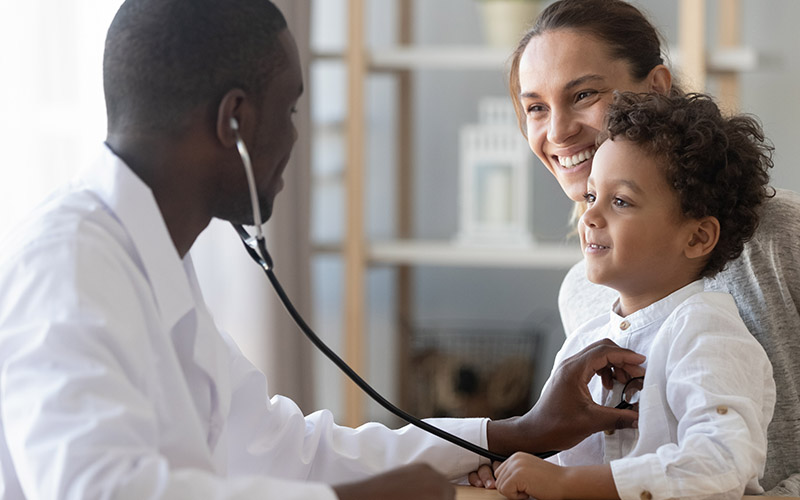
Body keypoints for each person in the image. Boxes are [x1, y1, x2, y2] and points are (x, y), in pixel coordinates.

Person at [0, 1, 648, 499]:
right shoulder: (67, 264)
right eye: (288, 113)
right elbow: (101, 490)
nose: (294, 142)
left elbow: (295, 451)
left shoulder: (152, 263)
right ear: (235, 122)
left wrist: (518, 431)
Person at [470, 0, 800, 494]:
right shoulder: (585, 291)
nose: (557, 131)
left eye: (583, 94)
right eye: (536, 107)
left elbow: (716, 462)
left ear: (656, 90)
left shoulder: (783, 236)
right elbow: (595, 457)